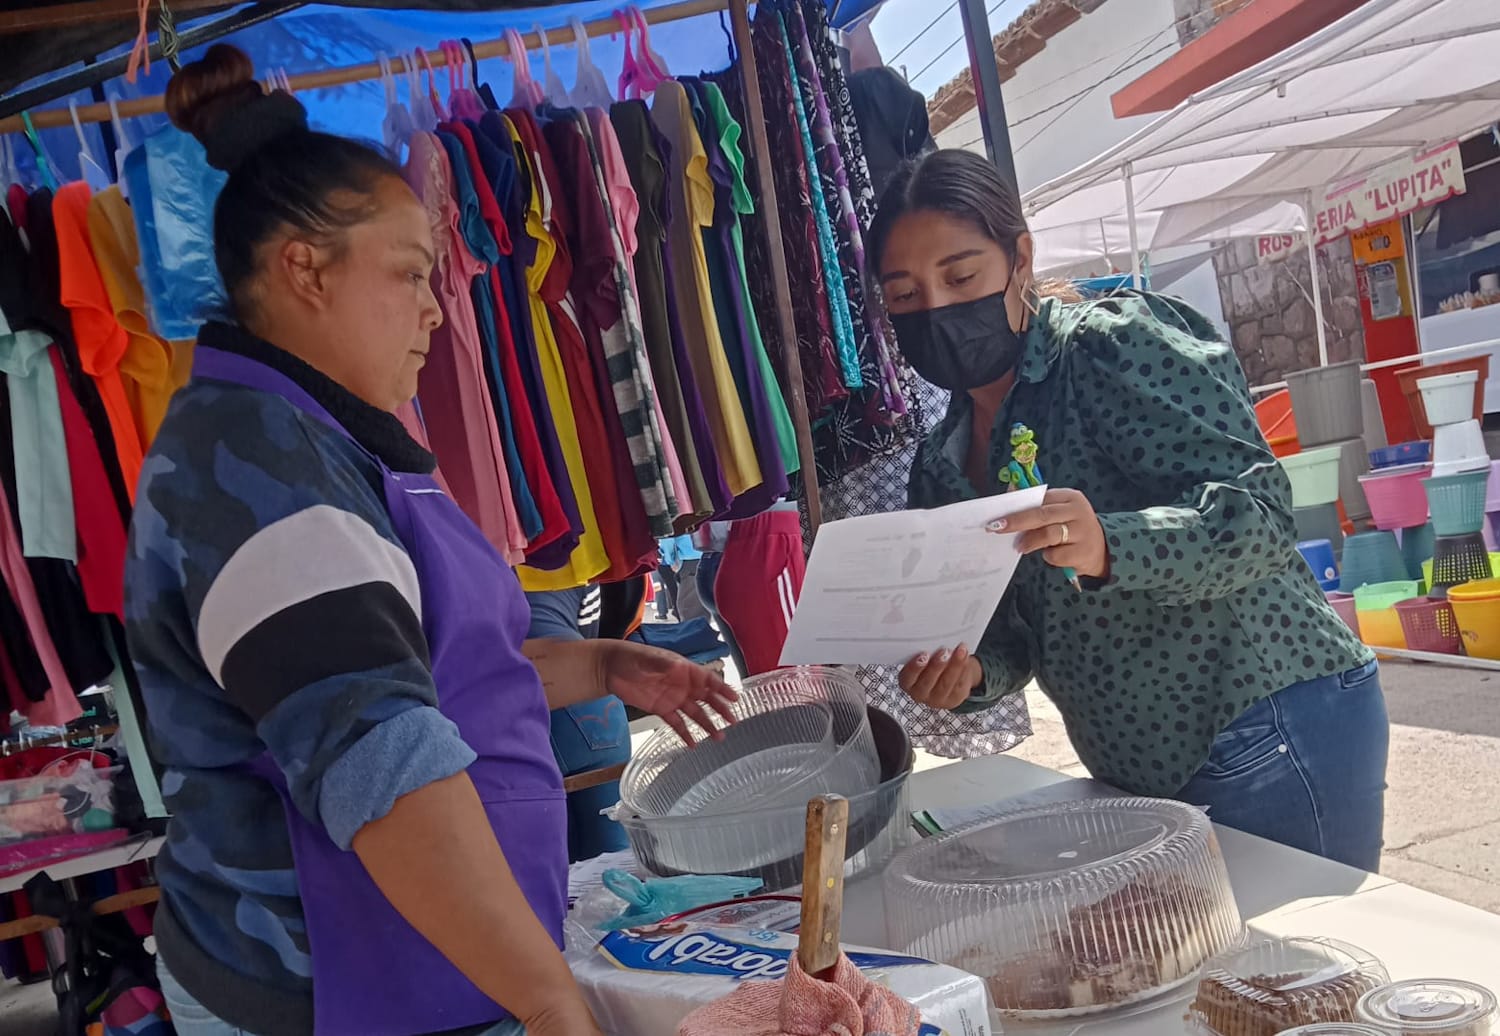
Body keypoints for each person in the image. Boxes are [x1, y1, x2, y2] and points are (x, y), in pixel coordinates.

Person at [126, 46, 736, 1036]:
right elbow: (381, 760)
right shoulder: (255, 468)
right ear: (304, 269)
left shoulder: (328, 440)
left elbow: (430, 672)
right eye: (410, 273)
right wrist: (548, 998)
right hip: (321, 981)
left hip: (425, 963)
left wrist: (598, 663)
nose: (434, 308)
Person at [872, 149, 1388, 872]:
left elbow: (1260, 516)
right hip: (1134, 769)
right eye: (905, 296)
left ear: (1020, 258)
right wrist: (972, 676)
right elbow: (1015, 634)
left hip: (1266, 722)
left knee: (1306, 946)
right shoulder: (941, 466)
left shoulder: (1111, 350)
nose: (937, 310)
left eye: (960, 278)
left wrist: (1110, 544)